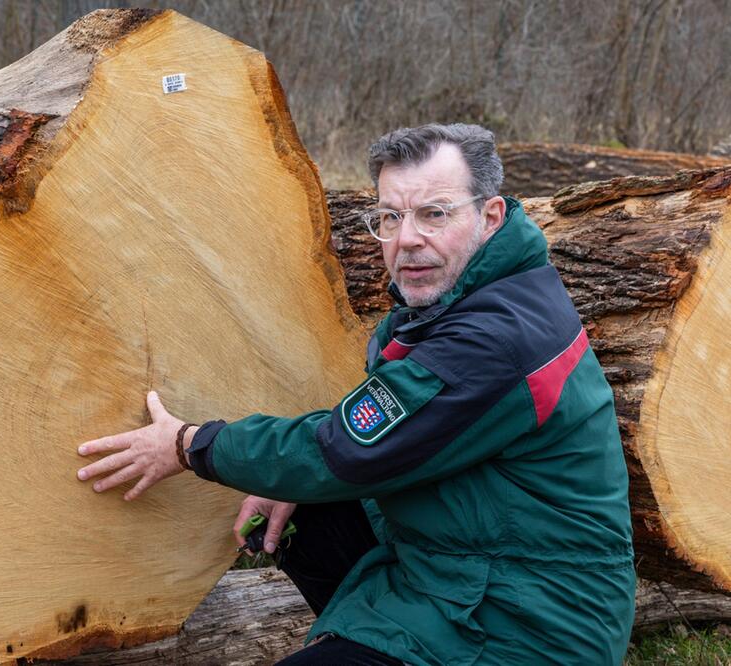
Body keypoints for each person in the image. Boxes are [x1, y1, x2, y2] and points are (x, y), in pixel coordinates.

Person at [76, 123, 636, 665]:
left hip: (528, 625)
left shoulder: (495, 339)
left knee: (313, 480)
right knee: (300, 510)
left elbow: (341, 449)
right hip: (465, 565)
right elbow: (388, 441)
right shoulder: (464, 298)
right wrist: (301, 483)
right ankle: (358, 638)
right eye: (391, 217)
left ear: (490, 217)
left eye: (434, 214)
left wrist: (188, 445)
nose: (407, 239)